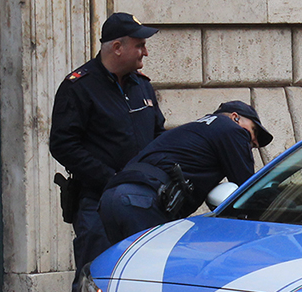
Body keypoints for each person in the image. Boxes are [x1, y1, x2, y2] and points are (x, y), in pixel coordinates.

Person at [49, 12, 166, 292]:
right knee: (95, 282)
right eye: (139, 45)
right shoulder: (79, 87)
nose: (145, 52)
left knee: (142, 284)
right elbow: (63, 144)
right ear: (117, 47)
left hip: (144, 201)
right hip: (98, 204)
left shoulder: (141, 85)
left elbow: (158, 134)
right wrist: (111, 179)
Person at [98, 101, 273, 244]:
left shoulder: (192, 130)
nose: (254, 142)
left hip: (111, 199)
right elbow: (247, 190)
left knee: (122, 276)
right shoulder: (232, 130)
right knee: (150, 275)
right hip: (142, 203)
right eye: (254, 132)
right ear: (235, 117)